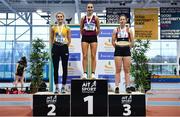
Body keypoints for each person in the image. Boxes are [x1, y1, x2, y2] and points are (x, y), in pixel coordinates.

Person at [112, 14, 135, 93]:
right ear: (119, 20)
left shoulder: (129, 30)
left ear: (126, 21)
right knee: (118, 70)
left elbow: (132, 42)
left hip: (126, 50)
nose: (122, 21)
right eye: (120, 19)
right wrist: (118, 47)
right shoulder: (116, 30)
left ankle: (128, 87)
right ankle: (117, 87)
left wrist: (128, 48)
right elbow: (112, 42)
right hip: (118, 50)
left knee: (127, 70)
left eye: (123, 19)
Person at [50, 12, 71, 93]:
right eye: (58, 17)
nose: (59, 18)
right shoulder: (53, 27)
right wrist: (54, 45)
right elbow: (51, 38)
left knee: (64, 68)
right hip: (55, 47)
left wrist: (65, 46)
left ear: (63, 17)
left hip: (64, 47)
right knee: (55, 68)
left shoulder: (67, 28)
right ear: (56, 18)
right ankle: (56, 87)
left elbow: (69, 39)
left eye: (61, 17)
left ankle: (63, 87)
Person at [80, 2, 100, 79]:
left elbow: (98, 29)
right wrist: (85, 34)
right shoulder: (83, 18)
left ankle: (93, 73)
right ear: (86, 9)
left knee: (93, 56)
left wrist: (94, 34)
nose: (90, 8)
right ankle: (85, 73)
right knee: (84, 55)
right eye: (88, 7)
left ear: (93, 8)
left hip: (93, 38)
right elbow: (81, 29)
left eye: (91, 7)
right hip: (85, 38)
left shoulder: (96, 18)